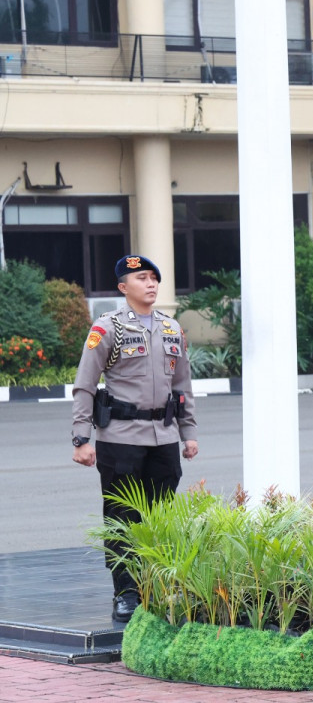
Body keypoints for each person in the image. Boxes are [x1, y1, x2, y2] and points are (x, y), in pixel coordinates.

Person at [70, 254, 199, 622]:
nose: (151, 284)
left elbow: (183, 386)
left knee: (161, 517)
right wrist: (81, 438)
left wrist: (188, 433)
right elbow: (85, 385)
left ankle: (157, 587)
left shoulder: (171, 328)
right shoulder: (108, 328)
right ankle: (126, 592)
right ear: (124, 287)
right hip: (121, 437)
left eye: (154, 278)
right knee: (122, 517)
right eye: (142, 278)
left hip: (164, 439)